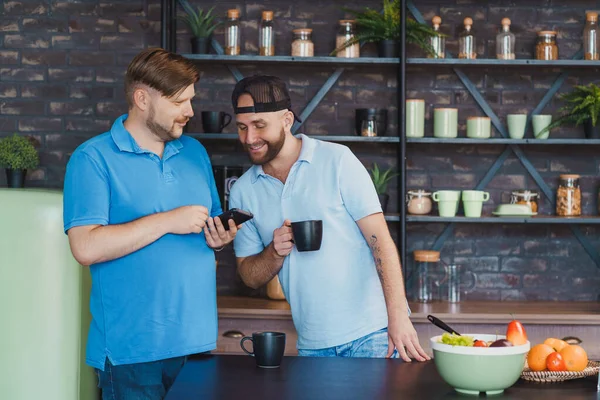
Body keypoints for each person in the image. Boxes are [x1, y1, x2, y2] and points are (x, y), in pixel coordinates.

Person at [63, 47, 238, 399]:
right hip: (131, 353)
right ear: (142, 98)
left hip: (196, 343)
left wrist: (219, 237)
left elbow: (205, 227)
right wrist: (168, 220)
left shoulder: (194, 152)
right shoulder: (92, 158)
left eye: (191, 100)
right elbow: (85, 247)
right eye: (179, 102)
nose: (190, 111)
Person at [228, 75, 430, 362]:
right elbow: (248, 276)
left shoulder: (337, 160)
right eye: (242, 127)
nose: (250, 138)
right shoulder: (243, 191)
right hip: (312, 344)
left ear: (286, 119)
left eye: (260, 126)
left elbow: (380, 240)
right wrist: (274, 253)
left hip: (373, 334)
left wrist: (398, 317)